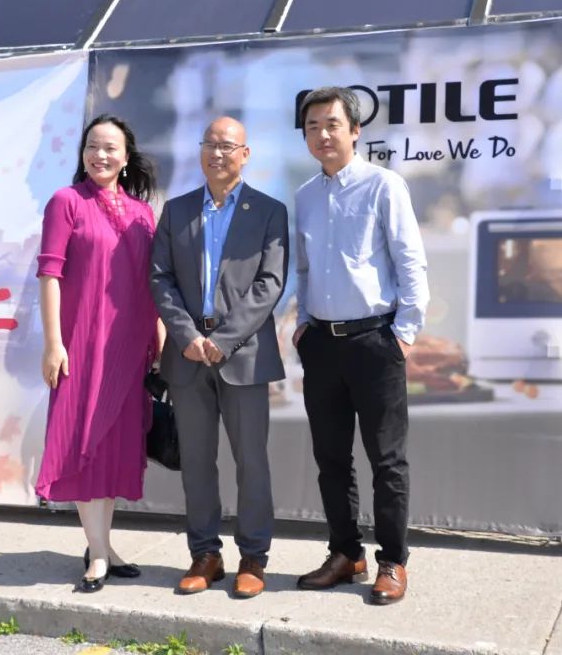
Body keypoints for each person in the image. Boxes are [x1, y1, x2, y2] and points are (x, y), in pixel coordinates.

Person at [292, 87, 429, 605]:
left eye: (332, 124)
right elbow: (304, 270)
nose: (322, 134)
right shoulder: (305, 196)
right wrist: (303, 324)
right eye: (312, 127)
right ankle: (346, 554)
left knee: (387, 461)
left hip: (375, 341)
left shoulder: (383, 185)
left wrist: (404, 334)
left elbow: (410, 261)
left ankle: (392, 561)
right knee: (331, 459)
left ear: (355, 131)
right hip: (322, 345)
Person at [149, 116, 288, 599]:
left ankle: (254, 557)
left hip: (243, 355)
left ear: (245, 155)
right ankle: (204, 554)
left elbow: (270, 283)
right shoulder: (177, 210)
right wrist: (186, 335)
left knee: (252, 462)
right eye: (210, 144)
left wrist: (224, 339)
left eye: (228, 146)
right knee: (196, 462)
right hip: (187, 355)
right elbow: (161, 278)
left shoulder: (268, 211)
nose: (217, 152)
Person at [35, 114, 163, 593]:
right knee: (84, 446)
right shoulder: (66, 202)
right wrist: (54, 343)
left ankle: (102, 546)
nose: (100, 155)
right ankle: (98, 557)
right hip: (82, 345)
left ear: (126, 158)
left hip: (128, 350)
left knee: (113, 449)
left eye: (110, 147)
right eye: (92, 146)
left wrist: (158, 342)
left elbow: (150, 285)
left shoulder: (142, 213)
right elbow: (50, 275)